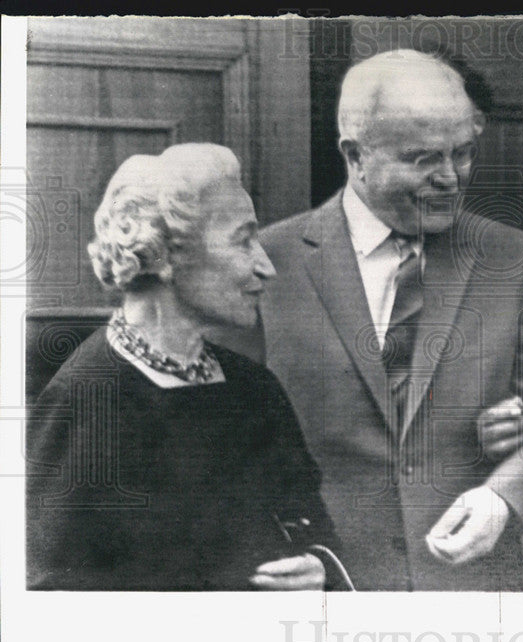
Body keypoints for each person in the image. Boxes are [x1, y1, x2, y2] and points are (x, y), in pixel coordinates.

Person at [232, 50, 523, 591]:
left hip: (471, 589)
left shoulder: (510, 258)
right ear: (355, 157)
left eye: (463, 153)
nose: (451, 177)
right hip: (326, 586)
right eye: (424, 159)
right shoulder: (268, 263)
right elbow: (222, 435)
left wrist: (504, 496)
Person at [26, 144, 346, 591]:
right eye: (243, 239)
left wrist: (319, 566)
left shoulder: (253, 388)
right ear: (166, 254)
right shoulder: (84, 401)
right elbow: (55, 601)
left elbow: (312, 524)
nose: (266, 266)